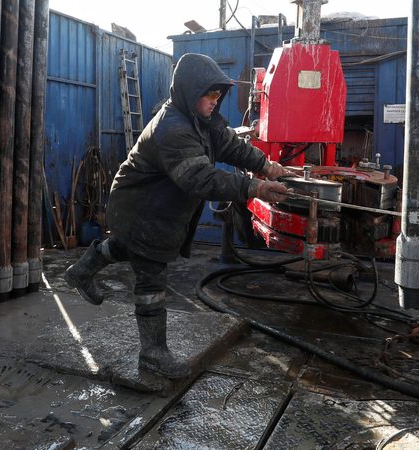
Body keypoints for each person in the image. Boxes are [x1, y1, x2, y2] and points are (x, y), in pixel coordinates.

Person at [65, 53, 292, 379]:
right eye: (210, 94)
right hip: (140, 206)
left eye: (218, 94)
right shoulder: (173, 128)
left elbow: (231, 147)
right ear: (189, 90)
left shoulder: (202, 118)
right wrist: (253, 187)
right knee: (151, 273)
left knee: (129, 248)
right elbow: (200, 178)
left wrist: (266, 165)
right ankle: (153, 354)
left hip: (157, 206)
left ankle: (80, 271)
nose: (216, 101)